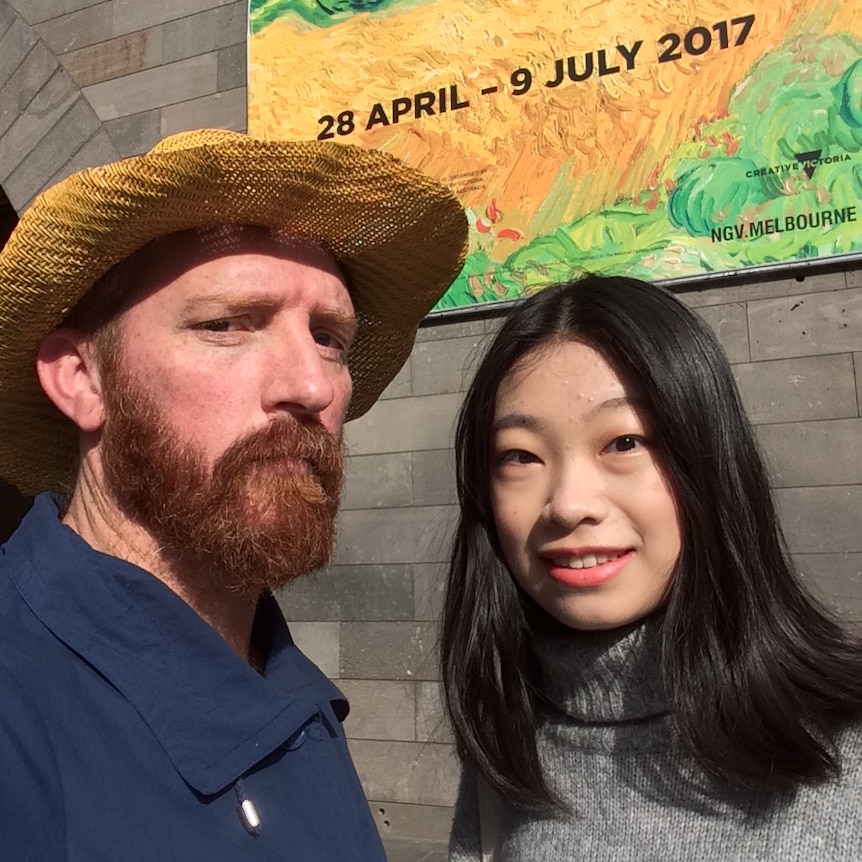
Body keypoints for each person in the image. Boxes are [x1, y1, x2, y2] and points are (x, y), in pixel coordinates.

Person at [0, 128, 467, 861]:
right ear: (83, 379)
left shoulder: (284, 681)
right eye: (227, 324)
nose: (313, 386)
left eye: (330, 336)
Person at [441, 275, 862, 861]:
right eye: (520, 456)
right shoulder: (506, 751)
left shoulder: (846, 749)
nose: (568, 503)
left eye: (624, 443)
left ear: (709, 460)